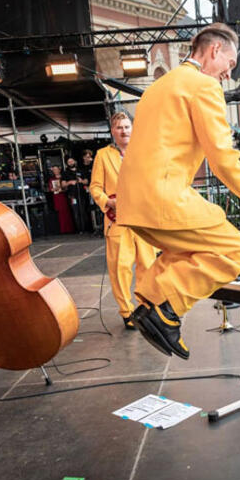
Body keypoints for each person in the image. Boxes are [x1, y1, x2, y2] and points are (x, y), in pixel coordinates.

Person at [116, 23, 240, 359]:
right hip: (163, 196)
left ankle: (150, 301)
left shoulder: (159, 86)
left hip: (133, 201)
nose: (228, 73)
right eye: (229, 64)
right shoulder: (203, 87)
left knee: (190, 250)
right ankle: (167, 311)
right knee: (237, 252)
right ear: (214, 51)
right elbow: (223, 158)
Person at [90, 112, 158, 330]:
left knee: (148, 267)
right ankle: (127, 312)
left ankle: (146, 308)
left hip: (143, 220)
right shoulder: (102, 155)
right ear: (113, 131)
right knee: (120, 269)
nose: (124, 131)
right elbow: (95, 187)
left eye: (127, 126)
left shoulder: (143, 153)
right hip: (117, 221)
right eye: (119, 127)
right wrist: (107, 202)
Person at [48, 165, 74, 234]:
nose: (55, 171)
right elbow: (51, 189)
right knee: (60, 214)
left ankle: (70, 229)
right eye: (54, 170)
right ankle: (63, 230)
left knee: (67, 212)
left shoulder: (63, 177)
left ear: (59, 170)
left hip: (64, 196)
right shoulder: (51, 179)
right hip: (57, 197)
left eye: (56, 169)